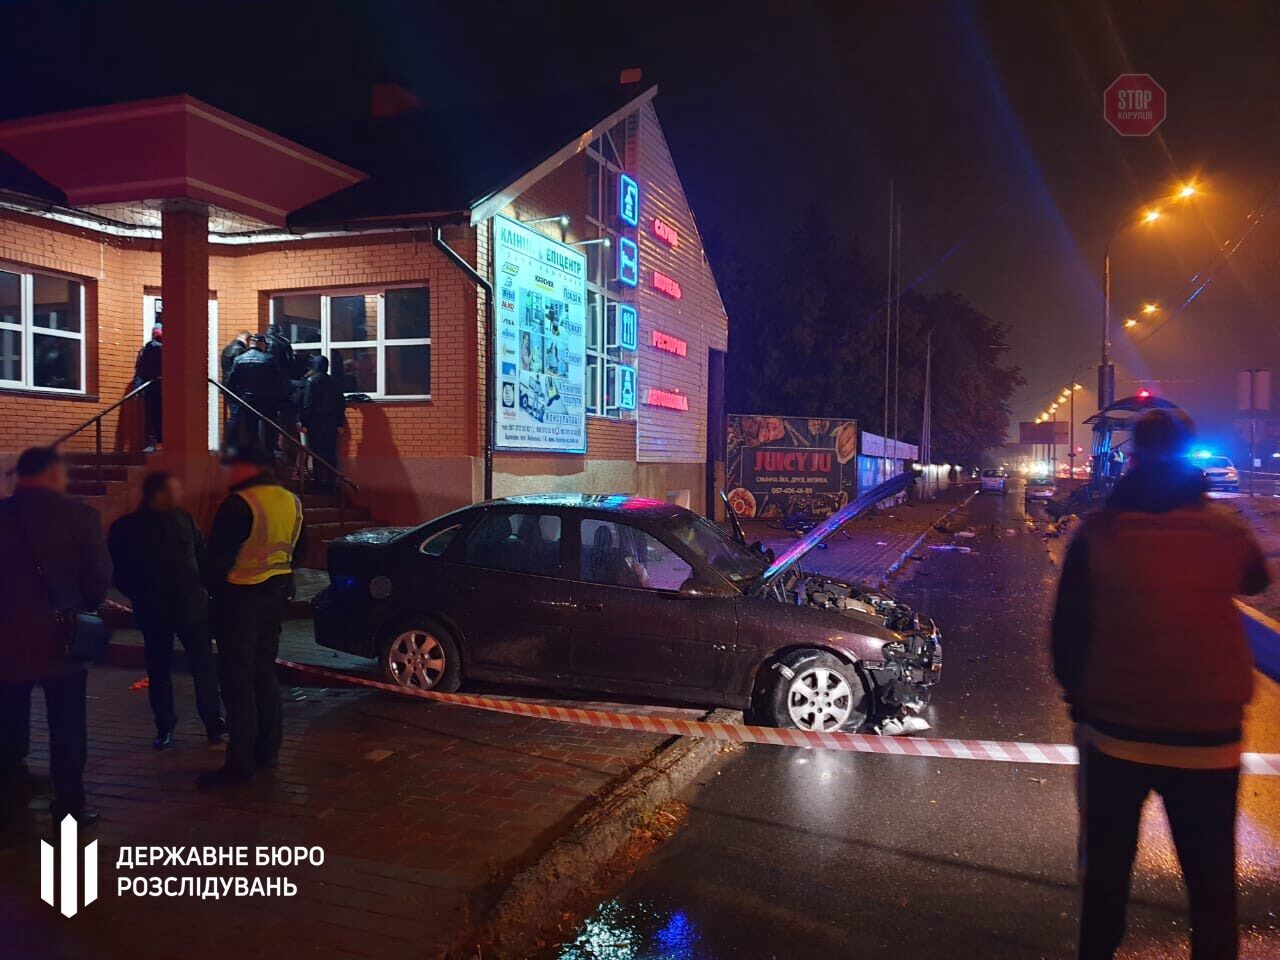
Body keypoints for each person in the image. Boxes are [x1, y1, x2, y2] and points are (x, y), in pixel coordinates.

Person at [1052, 409, 1270, 960]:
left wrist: (1080, 703)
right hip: (1210, 739)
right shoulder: (1225, 531)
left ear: (1130, 456)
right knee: (1212, 887)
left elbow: (1068, 630)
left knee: (1105, 879)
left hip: (1114, 737)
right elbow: (1257, 578)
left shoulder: (1098, 534)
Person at [0, 447, 111, 830]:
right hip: (62, 639)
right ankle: (69, 805)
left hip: (6, 643)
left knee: (8, 726)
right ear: (50, 474)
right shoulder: (80, 517)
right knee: (67, 726)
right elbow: (98, 582)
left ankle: (9, 806)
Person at [198, 449, 304, 790]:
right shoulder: (291, 501)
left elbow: (217, 561)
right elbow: (297, 550)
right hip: (275, 596)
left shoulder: (239, 504)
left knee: (237, 683)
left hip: (239, 599)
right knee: (263, 675)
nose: (229, 472)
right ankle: (267, 750)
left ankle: (239, 764)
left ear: (248, 468)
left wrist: (208, 596)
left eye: (234, 466)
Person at [108, 472, 223, 750]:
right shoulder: (128, 527)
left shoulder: (183, 519)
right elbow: (120, 571)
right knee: (159, 671)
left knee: (203, 667)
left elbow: (201, 554)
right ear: (157, 493)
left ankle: (213, 722)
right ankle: (165, 726)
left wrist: (204, 590)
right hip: (154, 609)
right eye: (173, 489)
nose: (178, 494)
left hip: (190, 607)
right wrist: (140, 595)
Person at [225, 333, 290, 452]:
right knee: (270, 427)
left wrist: (238, 397)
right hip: (267, 400)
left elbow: (231, 382)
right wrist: (280, 399)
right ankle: (270, 451)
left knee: (250, 428)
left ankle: (253, 451)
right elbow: (278, 382)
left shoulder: (239, 359)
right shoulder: (269, 359)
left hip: (246, 400)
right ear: (262, 344)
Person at [299, 355, 347, 492]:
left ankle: (319, 483)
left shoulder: (311, 381)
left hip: (315, 423)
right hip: (331, 422)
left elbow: (307, 404)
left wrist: (304, 422)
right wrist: (340, 423)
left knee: (317, 453)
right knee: (331, 453)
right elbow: (340, 404)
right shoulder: (334, 382)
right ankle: (332, 483)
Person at [135, 324, 163, 451]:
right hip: (156, 388)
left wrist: (138, 387)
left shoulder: (148, 349)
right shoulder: (151, 348)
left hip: (154, 388)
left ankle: (155, 443)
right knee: (155, 417)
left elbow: (140, 371)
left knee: (154, 417)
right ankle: (156, 442)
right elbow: (141, 370)